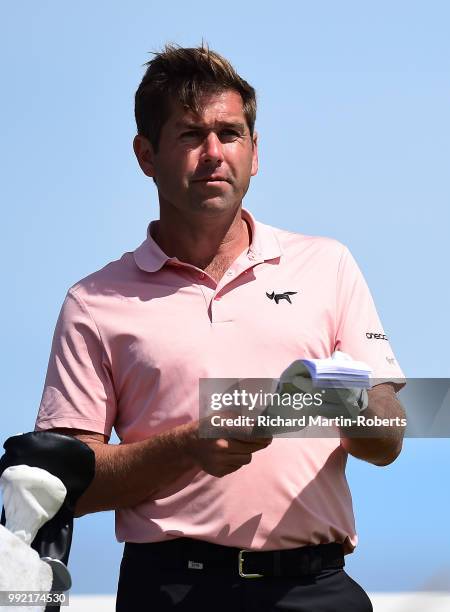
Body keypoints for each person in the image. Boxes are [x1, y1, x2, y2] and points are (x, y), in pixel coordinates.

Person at [34, 44, 406, 611]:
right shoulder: (92, 301)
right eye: (189, 135)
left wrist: (343, 399)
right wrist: (189, 446)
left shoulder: (328, 264)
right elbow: (67, 485)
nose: (214, 153)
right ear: (145, 154)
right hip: (171, 589)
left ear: (255, 153)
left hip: (319, 588)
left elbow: (387, 441)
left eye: (230, 134)